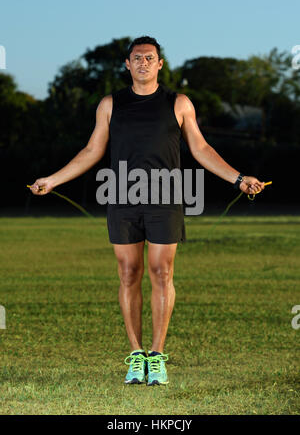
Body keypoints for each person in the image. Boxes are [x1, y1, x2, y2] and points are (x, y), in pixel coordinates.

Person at [30, 36, 265, 386]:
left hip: (166, 198)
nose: (143, 63)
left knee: (161, 272)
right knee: (128, 272)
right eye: (136, 58)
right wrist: (53, 179)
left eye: (150, 58)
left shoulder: (178, 103)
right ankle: (136, 355)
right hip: (122, 196)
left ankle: (157, 355)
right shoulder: (111, 104)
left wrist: (239, 178)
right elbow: (92, 150)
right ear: (127, 65)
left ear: (160, 64)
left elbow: (200, 148)